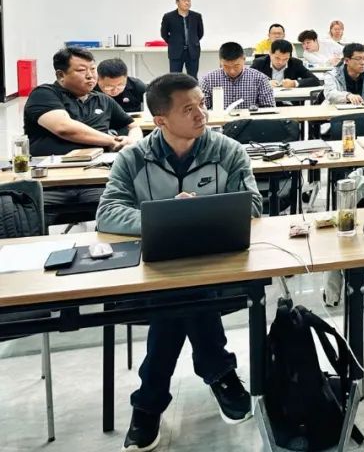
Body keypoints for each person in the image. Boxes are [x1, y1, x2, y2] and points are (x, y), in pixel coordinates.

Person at [97, 73, 260, 452]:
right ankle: (219, 372)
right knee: (180, 293)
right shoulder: (133, 157)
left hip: (218, 265)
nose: (201, 114)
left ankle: (149, 401)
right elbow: (107, 212)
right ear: (161, 120)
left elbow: (252, 206)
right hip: (154, 269)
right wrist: (166, 217)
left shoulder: (227, 150)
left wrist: (197, 214)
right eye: (188, 109)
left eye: (201, 103)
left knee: (179, 296)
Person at [24, 47, 142, 221]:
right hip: (51, 183)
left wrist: (131, 141)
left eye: (93, 69)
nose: (90, 76)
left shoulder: (103, 100)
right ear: (61, 75)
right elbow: (64, 128)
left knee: (123, 210)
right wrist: (111, 140)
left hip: (95, 180)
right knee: (24, 216)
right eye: (81, 70)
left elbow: (133, 125)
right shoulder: (44, 94)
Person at [199, 42, 275, 110]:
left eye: (236, 66)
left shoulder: (259, 78)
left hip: (249, 120)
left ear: (244, 59)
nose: (232, 71)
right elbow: (201, 109)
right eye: (226, 66)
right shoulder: (208, 80)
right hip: (220, 120)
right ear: (220, 62)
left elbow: (269, 108)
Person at [159, 0, 203, 77]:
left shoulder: (196, 16)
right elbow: (164, 33)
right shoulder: (168, 17)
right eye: (184, 0)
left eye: (188, 1)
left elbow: (200, 33)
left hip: (192, 51)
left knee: (193, 77)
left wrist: (193, 41)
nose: (187, 3)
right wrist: (173, 42)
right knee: (174, 77)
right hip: (176, 51)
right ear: (177, 2)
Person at [251, 40, 319, 90]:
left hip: (288, 101)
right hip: (266, 101)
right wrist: (264, 84)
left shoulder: (296, 63)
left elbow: (315, 80)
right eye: (277, 58)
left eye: (285, 59)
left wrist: (294, 83)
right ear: (270, 53)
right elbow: (247, 81)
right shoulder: (259, 63)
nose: (281, 62)